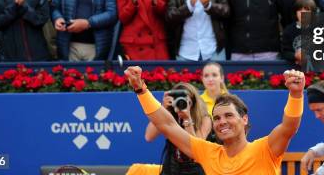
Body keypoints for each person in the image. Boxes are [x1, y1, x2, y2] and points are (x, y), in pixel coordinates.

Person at [125, 65, 306, 175]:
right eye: (217, 118)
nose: (222, 122)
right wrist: (141, 90)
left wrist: (296, 94)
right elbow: (166, 125)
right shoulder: (208, 152)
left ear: (244, 119)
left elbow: (289, 127)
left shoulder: (265, 149)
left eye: (228, 115)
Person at [145, 82, 209, 175]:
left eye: (186, 100)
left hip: (195, 169)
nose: (181, 103)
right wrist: (163, 108)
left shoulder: (204, 118)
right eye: (178, 100)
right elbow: (148, 136)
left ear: (193, 101)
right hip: (171, 168)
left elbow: (196, 150)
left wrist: (187, 119)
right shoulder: (169, 115)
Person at [280, 0, 317, 64]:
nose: (303, 13)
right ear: (295, 12)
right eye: (300, 10)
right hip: (293, 69)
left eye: (307, 10)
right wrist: (295, 56)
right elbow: (284, 52)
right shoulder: (289, 30)